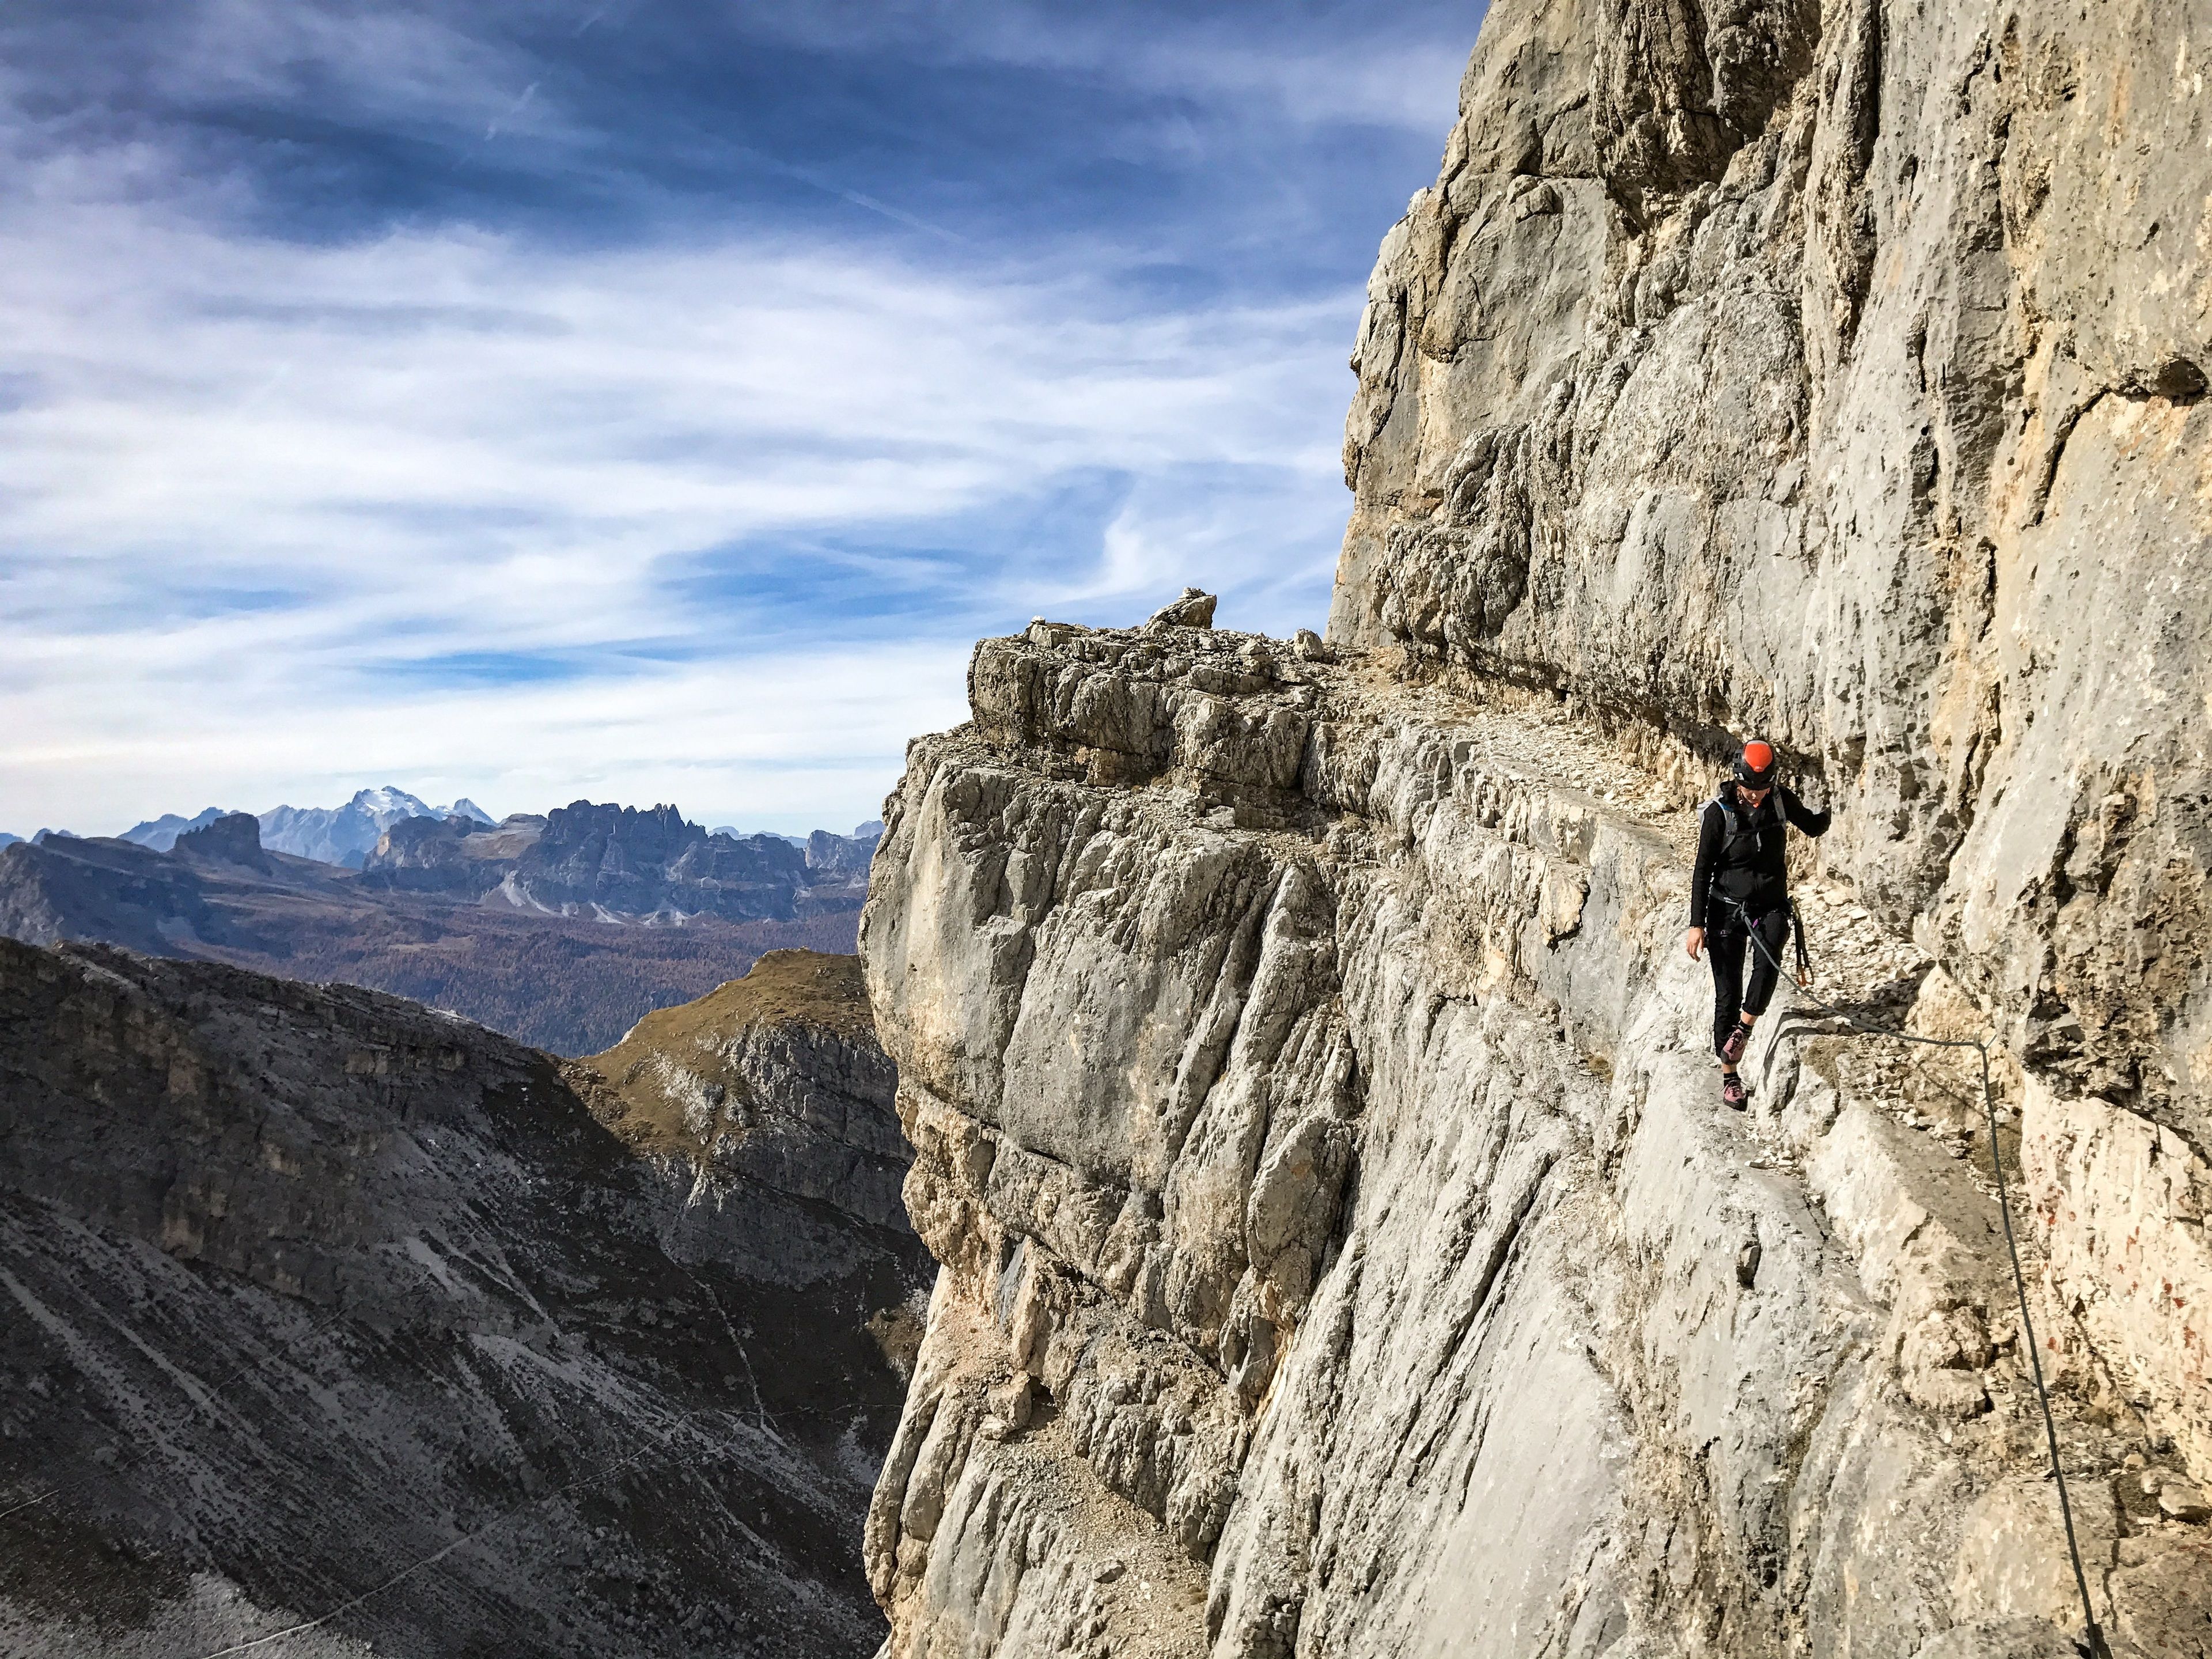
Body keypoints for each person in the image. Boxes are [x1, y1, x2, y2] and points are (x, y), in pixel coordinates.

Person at [1685, 739, 1832, 1108]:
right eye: (1749, 788)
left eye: (1762, 788)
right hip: (1725, 909)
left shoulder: (1780, 801)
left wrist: (1837, 805)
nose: (1755, 795)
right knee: (1728, 994)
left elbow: (1813, 826)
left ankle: (1744, 1028)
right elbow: (1702, 871)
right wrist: (1696, 924)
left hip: (1770, 906)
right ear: (1737, 780)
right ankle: (1730, 1076)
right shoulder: (1719, 814)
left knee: (1769, 962)